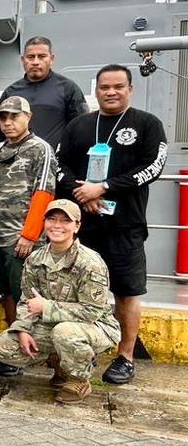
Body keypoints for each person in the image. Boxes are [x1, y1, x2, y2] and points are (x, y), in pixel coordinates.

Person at [58, 64, 168, 385]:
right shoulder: (79, 125)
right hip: (84, 227)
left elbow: (153, 167)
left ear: (129, 89)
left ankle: (125, 356)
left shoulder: (147, 124)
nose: (111, 92)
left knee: (126, 292)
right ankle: (84, 349)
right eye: (105, 87)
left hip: (125, 226)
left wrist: (103, 188)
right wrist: (83, 192)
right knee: (80, 293)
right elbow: (60, 165)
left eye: (118, 86)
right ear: (96, 90)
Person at [0, 200, 120, 404]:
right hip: (51, 325)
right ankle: (59, 361)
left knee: (64, 332)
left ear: (77, 225)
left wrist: (46, 307)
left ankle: (79, 379)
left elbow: (92, 311)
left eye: (65, 220)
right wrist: (22, 329)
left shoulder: (90, 262)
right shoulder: (35, 258)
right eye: (52, 219)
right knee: (3, 346)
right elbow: (26, 301)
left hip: (96, 327)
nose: (57, 225)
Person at [0, 96, 57, 332]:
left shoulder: (41, 149)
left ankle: (28, 345)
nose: (8, 122)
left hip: (22, 239)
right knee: (4, 292)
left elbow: (44, 193)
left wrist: (29, 235)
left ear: (28, 117)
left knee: (26, 293)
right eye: (3, 118)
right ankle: (13, 337)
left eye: (14, 116)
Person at [0, 36, 88, 151]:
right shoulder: (11, 92)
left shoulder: (68, 88)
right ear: (22, 60)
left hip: (55, 162)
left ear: (51, 58)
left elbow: (81, 128)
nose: (35, 62)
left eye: (42, 56)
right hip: (18, 162)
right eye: (30, 57)